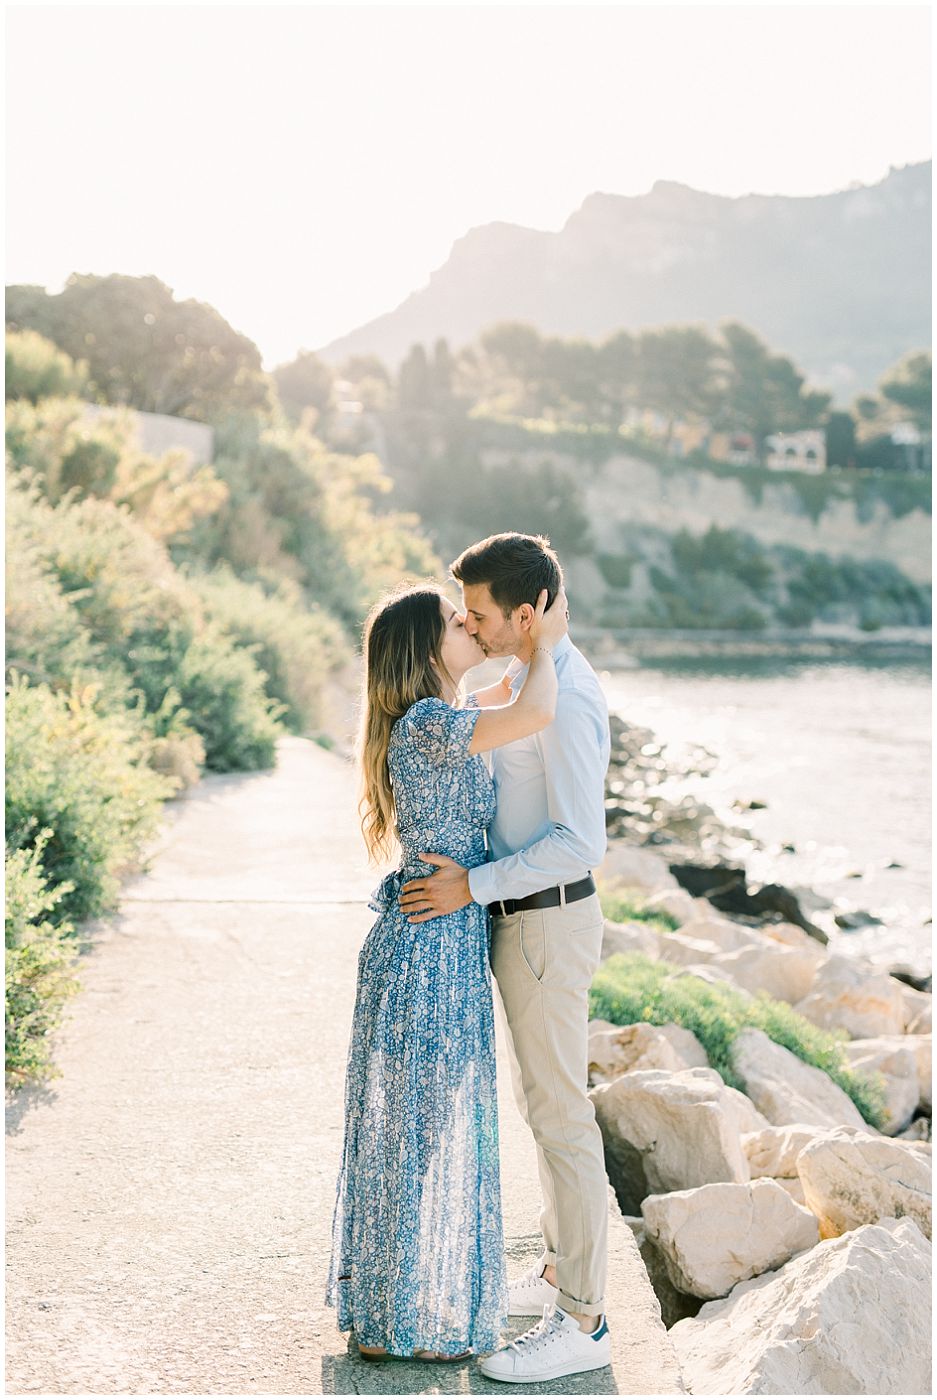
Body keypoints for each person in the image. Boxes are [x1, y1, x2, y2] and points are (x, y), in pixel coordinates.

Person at [324, 579, 569, 1363]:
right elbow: (532, 711)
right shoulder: (430, 722)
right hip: (430, 947)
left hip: (440, 937)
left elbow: (505, 695)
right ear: (426, 650)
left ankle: (392, 1315)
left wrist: (515, 648)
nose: (469, 622)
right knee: (422, 1134)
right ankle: (399, 1322)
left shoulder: (437, 718)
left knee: (419, 1131)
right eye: (454, 619)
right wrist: (547, 637)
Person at [399, 532, 613, 1385]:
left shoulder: (570, 697)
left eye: (481, 614)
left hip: (547, 922)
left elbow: (577, 842)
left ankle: (585, 1322)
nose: (468, 623)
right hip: (520, 924)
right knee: (541, 1108)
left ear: (524, 615)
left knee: (562, 1117)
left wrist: (473, 885)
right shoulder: (526, 676)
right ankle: (561, 1271)